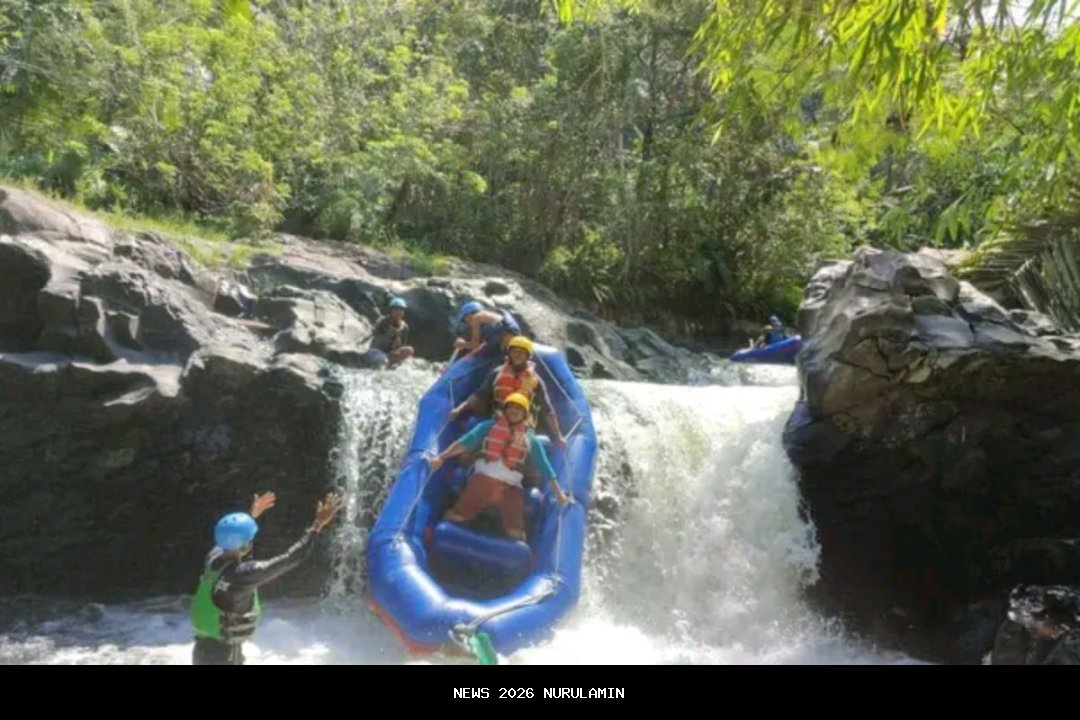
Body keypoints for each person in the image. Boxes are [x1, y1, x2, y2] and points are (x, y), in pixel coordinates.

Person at [189, 490, 344, 665]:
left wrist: (252, 515)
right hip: (223, 658)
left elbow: (232, 536)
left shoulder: (213, 557)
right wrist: (317, 525)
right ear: (246, 544)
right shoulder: (242, 575)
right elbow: (290, 558)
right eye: (250, 537)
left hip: (203, 652)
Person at [428, 393, 570, 541]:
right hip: (482, 480)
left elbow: (545, 467)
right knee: (456, 516)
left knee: (517, 534)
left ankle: (529, 555)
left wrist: (559, 494)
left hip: (510, 487)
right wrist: (442, 457)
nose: (514, 411)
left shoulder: (531, 440)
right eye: (511, 408)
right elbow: (463, 443)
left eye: (518, 409)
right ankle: (432, 533)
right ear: (504, 410)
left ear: (525, 414)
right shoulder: (487, 427)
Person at [449, 335, 566, 447]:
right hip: (497, 418)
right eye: (514, 352)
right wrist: (459, 409)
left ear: (527, 356)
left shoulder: (535, 380)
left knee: (527, 453)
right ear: (509, 353)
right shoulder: (497, 373)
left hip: (522, 422)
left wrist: (558, 436)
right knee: (469, 449)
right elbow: (480, 394)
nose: (517, 355)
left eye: (521, 353)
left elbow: (548, 409)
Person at [453, 300, 522, 358]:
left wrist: (462, 344)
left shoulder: (476, 318)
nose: (467, 323)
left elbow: (475, 344)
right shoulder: (489, 316)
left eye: (464, 320)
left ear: (468, 315)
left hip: (506, 341)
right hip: (513, 337)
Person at [368, 297, 415, 368]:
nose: (399, 312)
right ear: (391, 310)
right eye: (396, 309)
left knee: (409, 350)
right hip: (377, 351)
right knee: (384, 361)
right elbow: (374, 332)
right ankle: (383, 366)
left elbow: (403, 344)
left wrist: (396, 352)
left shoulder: (405, 326)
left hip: (391, 353)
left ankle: (391, 362)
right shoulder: (383, 321)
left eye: (401, 309)